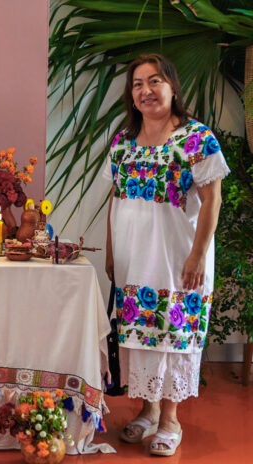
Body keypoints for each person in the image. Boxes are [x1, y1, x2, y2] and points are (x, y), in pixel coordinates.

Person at [103, 54, 229, 456]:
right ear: (131, 95)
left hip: (177, 260)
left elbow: (212, 201)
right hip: (133, 260)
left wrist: (197, 255)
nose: (146, 90)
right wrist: (110, 252)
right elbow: (114, 199)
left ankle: (170, 419)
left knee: (173, 334)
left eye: (154, 81)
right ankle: (147, 410)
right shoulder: (123, 141)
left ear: (172, 87)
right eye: (138, 84)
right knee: (139, 335)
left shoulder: (196, 138)